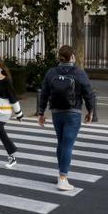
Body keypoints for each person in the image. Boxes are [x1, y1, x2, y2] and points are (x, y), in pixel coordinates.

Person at [37, 45, 96, 191]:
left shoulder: (51, 72)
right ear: (73, 57)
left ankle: (61, 173)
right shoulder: (79, 72)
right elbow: (88, 92)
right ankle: (63, 178)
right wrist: (91, 111)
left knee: (61, 143)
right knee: (68, 144)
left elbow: (44, 93)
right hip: (73, 112)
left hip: (56, 112)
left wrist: (41, 112)